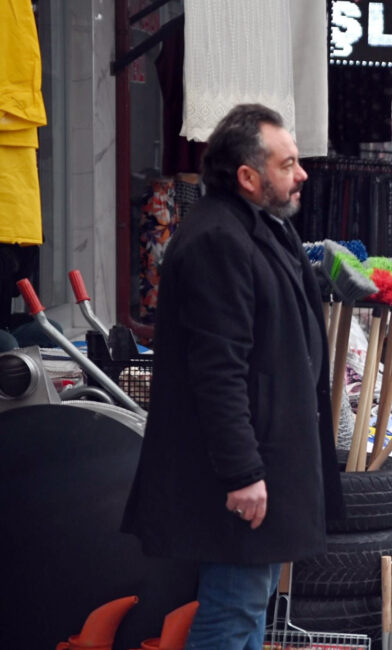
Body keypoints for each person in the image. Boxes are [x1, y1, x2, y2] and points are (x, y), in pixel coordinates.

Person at [122, 104, 343, 649]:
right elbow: (217, 370)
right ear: (247, 176)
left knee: (249, 603)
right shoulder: (218, 240)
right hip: (240, 471)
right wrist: (243, 472)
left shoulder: (261, 226)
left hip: (267, 459)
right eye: (288, 163)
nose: (302, 173)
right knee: (234, 608)